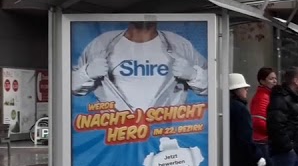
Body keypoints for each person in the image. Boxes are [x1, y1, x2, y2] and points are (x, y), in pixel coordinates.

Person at [71, 20, 208, 111]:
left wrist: (193, 75)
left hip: (165, 131)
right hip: (115, 133)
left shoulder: (180, 44)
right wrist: (87, 72)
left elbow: (213, 87)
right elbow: (71, 87)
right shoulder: (102, 43)